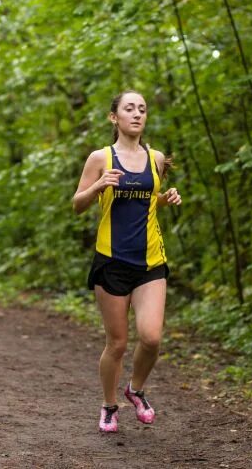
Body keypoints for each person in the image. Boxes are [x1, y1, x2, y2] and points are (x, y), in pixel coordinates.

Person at [72, 90, 182, 433]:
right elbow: (77, 204)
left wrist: (165, 199)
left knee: (151, 338)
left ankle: (135, 389)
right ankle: (108, 406)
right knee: (117, 344)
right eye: (129, 109)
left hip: (150, 262)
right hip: (112, 261)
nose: (137, 114)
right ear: (114, 117)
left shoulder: (157, 158)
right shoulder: (100, 158)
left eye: (142, 110)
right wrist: (98, 187)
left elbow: (146, 202)